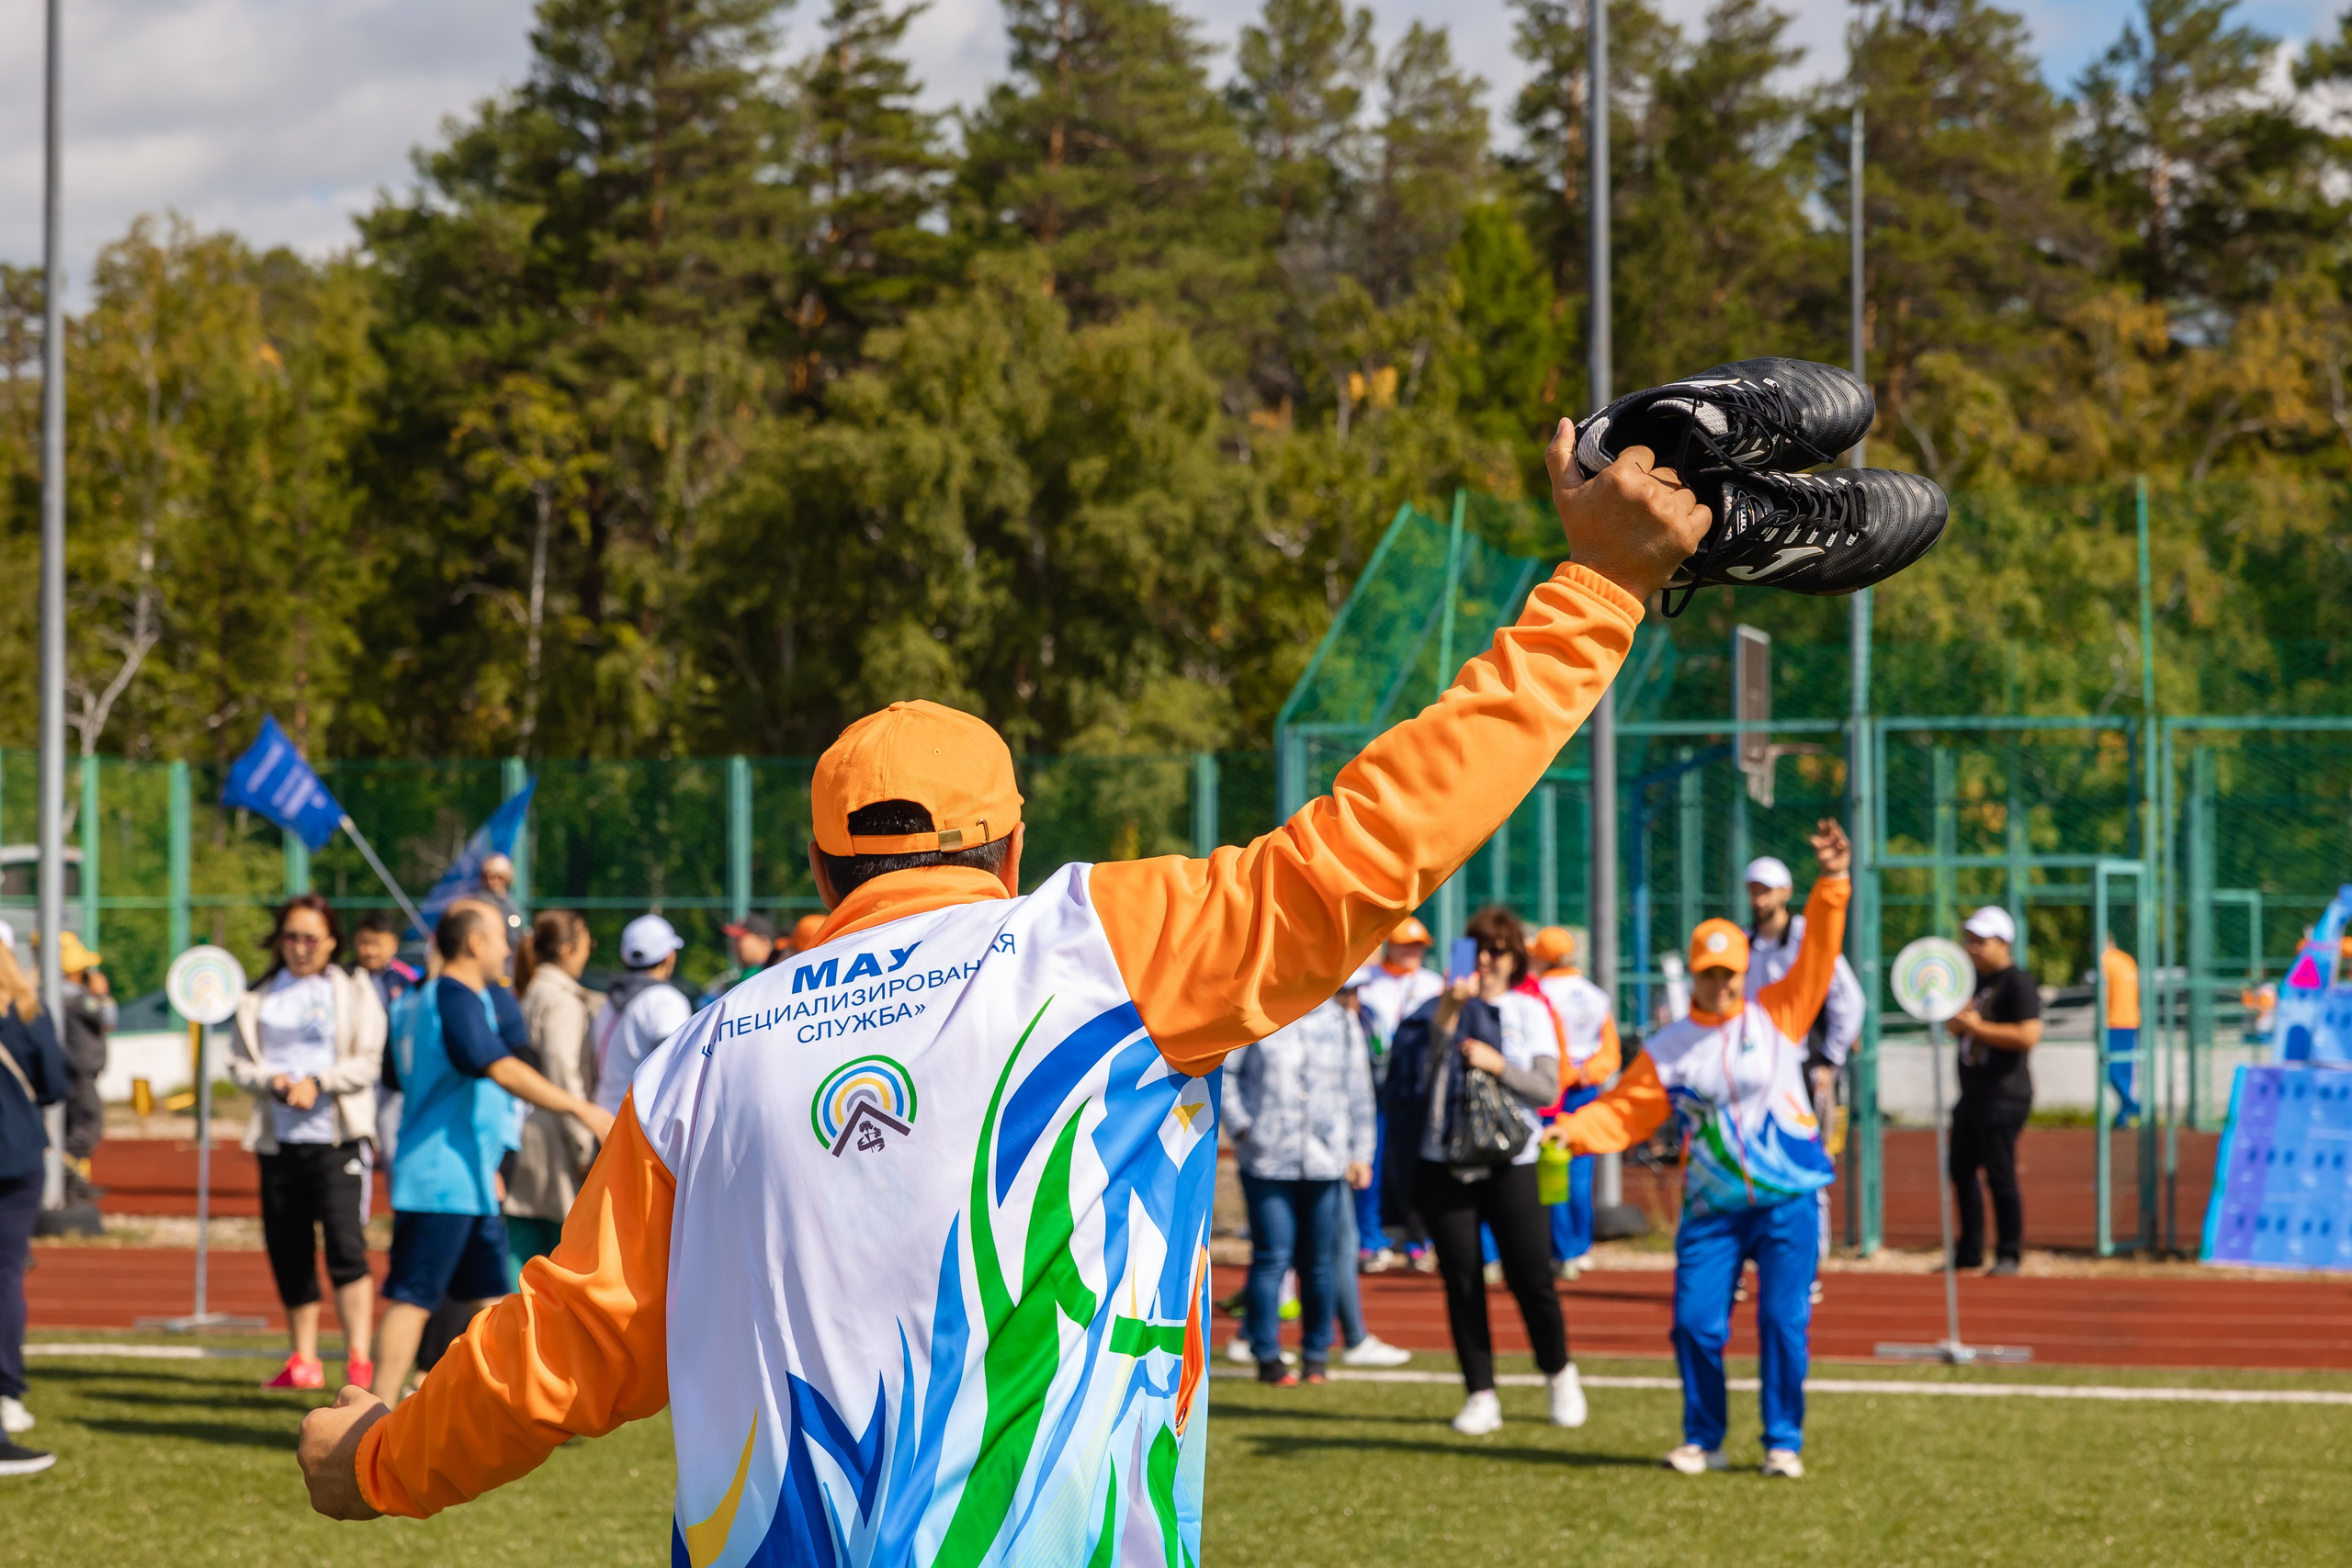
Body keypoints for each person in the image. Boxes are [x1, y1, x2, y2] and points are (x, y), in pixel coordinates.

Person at [292, 417, 1705, 1552]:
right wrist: (1597, 590)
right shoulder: (1099, 943)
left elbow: (565, 1348)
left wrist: (371, 1461)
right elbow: (1377, 840)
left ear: (820, 863)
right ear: (1015, 843)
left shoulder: (699, 1059)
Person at [1546, 820, 1851, 1480]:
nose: (1723, 983)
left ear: (1745, 968)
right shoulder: (1668, 1046)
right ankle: (1703, 1435)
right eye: (1712, 973)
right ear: (1695, 972)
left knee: (1781, 1322)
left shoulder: (1779, 1013)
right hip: (1713, 1207)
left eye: (1732, 971)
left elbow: (1821, 955)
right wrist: (1570, 1130)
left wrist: (1831, 884)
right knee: (1693, 1324)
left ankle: (1782, 1440)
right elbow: (1625, 1111)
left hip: (1787, 1201)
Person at [367, 900, 616, 1406]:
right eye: (500, 936)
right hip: (442, 1177)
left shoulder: (411, 1000)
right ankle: (370, 1416)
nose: (509, 948)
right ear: (475, 943)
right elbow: (497, 1066)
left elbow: (396, 1075)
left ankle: (521, 1408)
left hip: (467, 1177)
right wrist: (580, 1108)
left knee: (493, 1303)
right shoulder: (455, 995)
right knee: (413, 1300)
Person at [1387, 906, 1583, 1436]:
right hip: (1444, 1161)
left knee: (1531, 1277)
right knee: (1462, 1281)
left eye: (1500, 949)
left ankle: (1558, 1370)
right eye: (1480, 948)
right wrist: (1449, 1013)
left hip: (1511, 1159)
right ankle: (1480, 1393)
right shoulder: (1434, 1005)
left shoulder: (1530, 1010)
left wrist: (1500, 1065)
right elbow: (1411, 1076)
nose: (1489, 959)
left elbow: (1548, 1089)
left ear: (1517, 957)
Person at [223, 896, 388, 1392]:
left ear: (332, 941)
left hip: (337, 1140)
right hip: (280, 1143)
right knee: (288, 1248)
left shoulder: (354, 991)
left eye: (310, 938)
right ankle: (305, 1359)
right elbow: (237, 1064)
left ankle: (359, 1358)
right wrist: (273, 1081)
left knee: (345, 1246)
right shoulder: (259, 995)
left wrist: (318, 1080)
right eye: (290, 937)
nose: (299, 948)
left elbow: (368, 1062)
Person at [1225, 993, 1411, 1384]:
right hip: (1267, 1159)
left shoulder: (1341, 1021)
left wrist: (1361, 1153)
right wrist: (1243, 1127)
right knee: (1272, 1257)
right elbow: (1228, 1075)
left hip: (1326, 1160)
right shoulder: (1258, 1010)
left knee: (1320, 1262)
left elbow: (1359, 1091)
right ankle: (1266, 1354)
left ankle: (1315, 1355)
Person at [1743, 854, 1862, 1292]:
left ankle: (1807, 1268)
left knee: (1807, 1166)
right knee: (1745, 1165)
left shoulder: (1806, 941)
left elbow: (1850, 1001)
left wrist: (1829, 1062)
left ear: (1786, 893)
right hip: (1748, 1075)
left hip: (1802, 1072)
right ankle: (1745, 1262)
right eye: (1754, 888)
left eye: (1768, 888)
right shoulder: (1741, 944)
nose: (1760, 897)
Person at [506, 911, 605, 1275]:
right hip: (556, 1141)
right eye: (586, 944)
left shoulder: (532, 990)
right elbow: (564, 1072)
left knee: (519, 1256)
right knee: (561, 1264)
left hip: (527, 1133)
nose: (588, 952)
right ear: (566, 949)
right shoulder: (562, 1000)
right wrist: (583, 1142)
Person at [0, 936, 65, 1475]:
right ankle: (8, 1393)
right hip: (17, 1153)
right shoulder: (26, 1010)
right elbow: (55, 1082)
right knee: (5, 1277)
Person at [1950, 906, 2041, 1276]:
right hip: (1971, 1094)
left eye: (1981, 941)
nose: (1972, 948)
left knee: (2000, 1174)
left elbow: (2027, 1035)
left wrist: (1976, 1028)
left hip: (2005, 1095)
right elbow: (1958, 1026)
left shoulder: (2018, 982)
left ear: (2003, 943)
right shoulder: (1970, 980)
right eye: (1970, 940)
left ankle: (2008, 1252)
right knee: (1961, 1171)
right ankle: (1969, 1251)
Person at [1351, 918, 1443, 1271]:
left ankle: (1418, 1240)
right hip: (1374, 1087)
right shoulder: (1368, 983)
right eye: (1406, 945)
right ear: (1390, 944)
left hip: (1415, 1089)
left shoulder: (1434, 985)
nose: (1413, 952)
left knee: (1418, 1166)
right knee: (1370, 1162)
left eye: (1419, 946)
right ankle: (1371, 1241)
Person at [1530, 926, 1618, 1277]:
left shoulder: (1541, 994)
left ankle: (1562, 1249)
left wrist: (1565, 1074)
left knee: (1553, 1169)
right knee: (1582, 1173)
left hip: (1554, 1090)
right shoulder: (1596, 995)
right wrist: (1589, 1072)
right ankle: (1581, 1247)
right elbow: (1609, 1050)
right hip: (1587, 1089)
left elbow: (1549, 1044)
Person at [591, 916, 693, 1117]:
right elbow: (673, 1072)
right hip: (639, 1124)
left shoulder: (608, 1001)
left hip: (604, 1117)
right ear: (669, 956)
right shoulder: (667, 1000)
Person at [351, 912, 419, 1166]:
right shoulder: (343, 978)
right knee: (357, 1144)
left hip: (391, 1076)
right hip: (355, 1074)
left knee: (392, 1144)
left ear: (392, 944)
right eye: (363, 943)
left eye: (376, 943)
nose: (369, 951)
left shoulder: (406, 980)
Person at [52, 931, 114, 1204]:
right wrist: (101, 994)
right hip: (80, 1071)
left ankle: (72, 1180)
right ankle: (67, 1173)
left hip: (71, 1069)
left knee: (73, 1124)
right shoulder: (78, 1000)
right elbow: (107, 1019)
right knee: (89, 1123)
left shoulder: (60, 996)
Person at [2100, 931, 2142, 1128]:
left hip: (2113, 1023)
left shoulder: (2104, 961)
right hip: (2131, 1021)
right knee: (2124, 1071)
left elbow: (2102, 994)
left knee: (2112, 1071)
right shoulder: (2127, 960)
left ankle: (2132, 1105)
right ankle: (2123, 1116)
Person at [701, 914, 777, 1005]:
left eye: (739, 939)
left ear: (764, 942)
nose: (733, 946)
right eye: (733, 940)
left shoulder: (774, 974)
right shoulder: (732, 978)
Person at [475, 853, 526, 970]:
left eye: (497, 876)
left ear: (506, 877)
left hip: (511, 959)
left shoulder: (510, 902)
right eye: (487, 876)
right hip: (490, 961)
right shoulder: (481, 902)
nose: (492, 880)